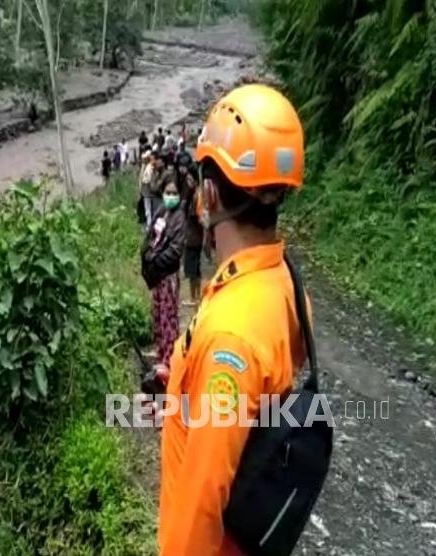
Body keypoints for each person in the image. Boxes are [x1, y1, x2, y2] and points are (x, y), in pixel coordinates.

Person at [157, 84, 308, 555]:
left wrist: (212, 381)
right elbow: (252, 404)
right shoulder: (283, 283)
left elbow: (202, 503)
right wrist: (186, 387)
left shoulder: (231, 336)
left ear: (208, 195)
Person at [141, 178, 186, 370]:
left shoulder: (179, 217)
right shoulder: (162, 212)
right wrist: (148, 255)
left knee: (169, 316)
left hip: (167, 274)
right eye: (167, 192)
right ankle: (161, 352)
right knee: (158, 314)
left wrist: (155, 260)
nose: (170, 196)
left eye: (174, 193)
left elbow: (175, 250)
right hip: (157, 275)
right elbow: (150, 237)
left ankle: (170, 358)